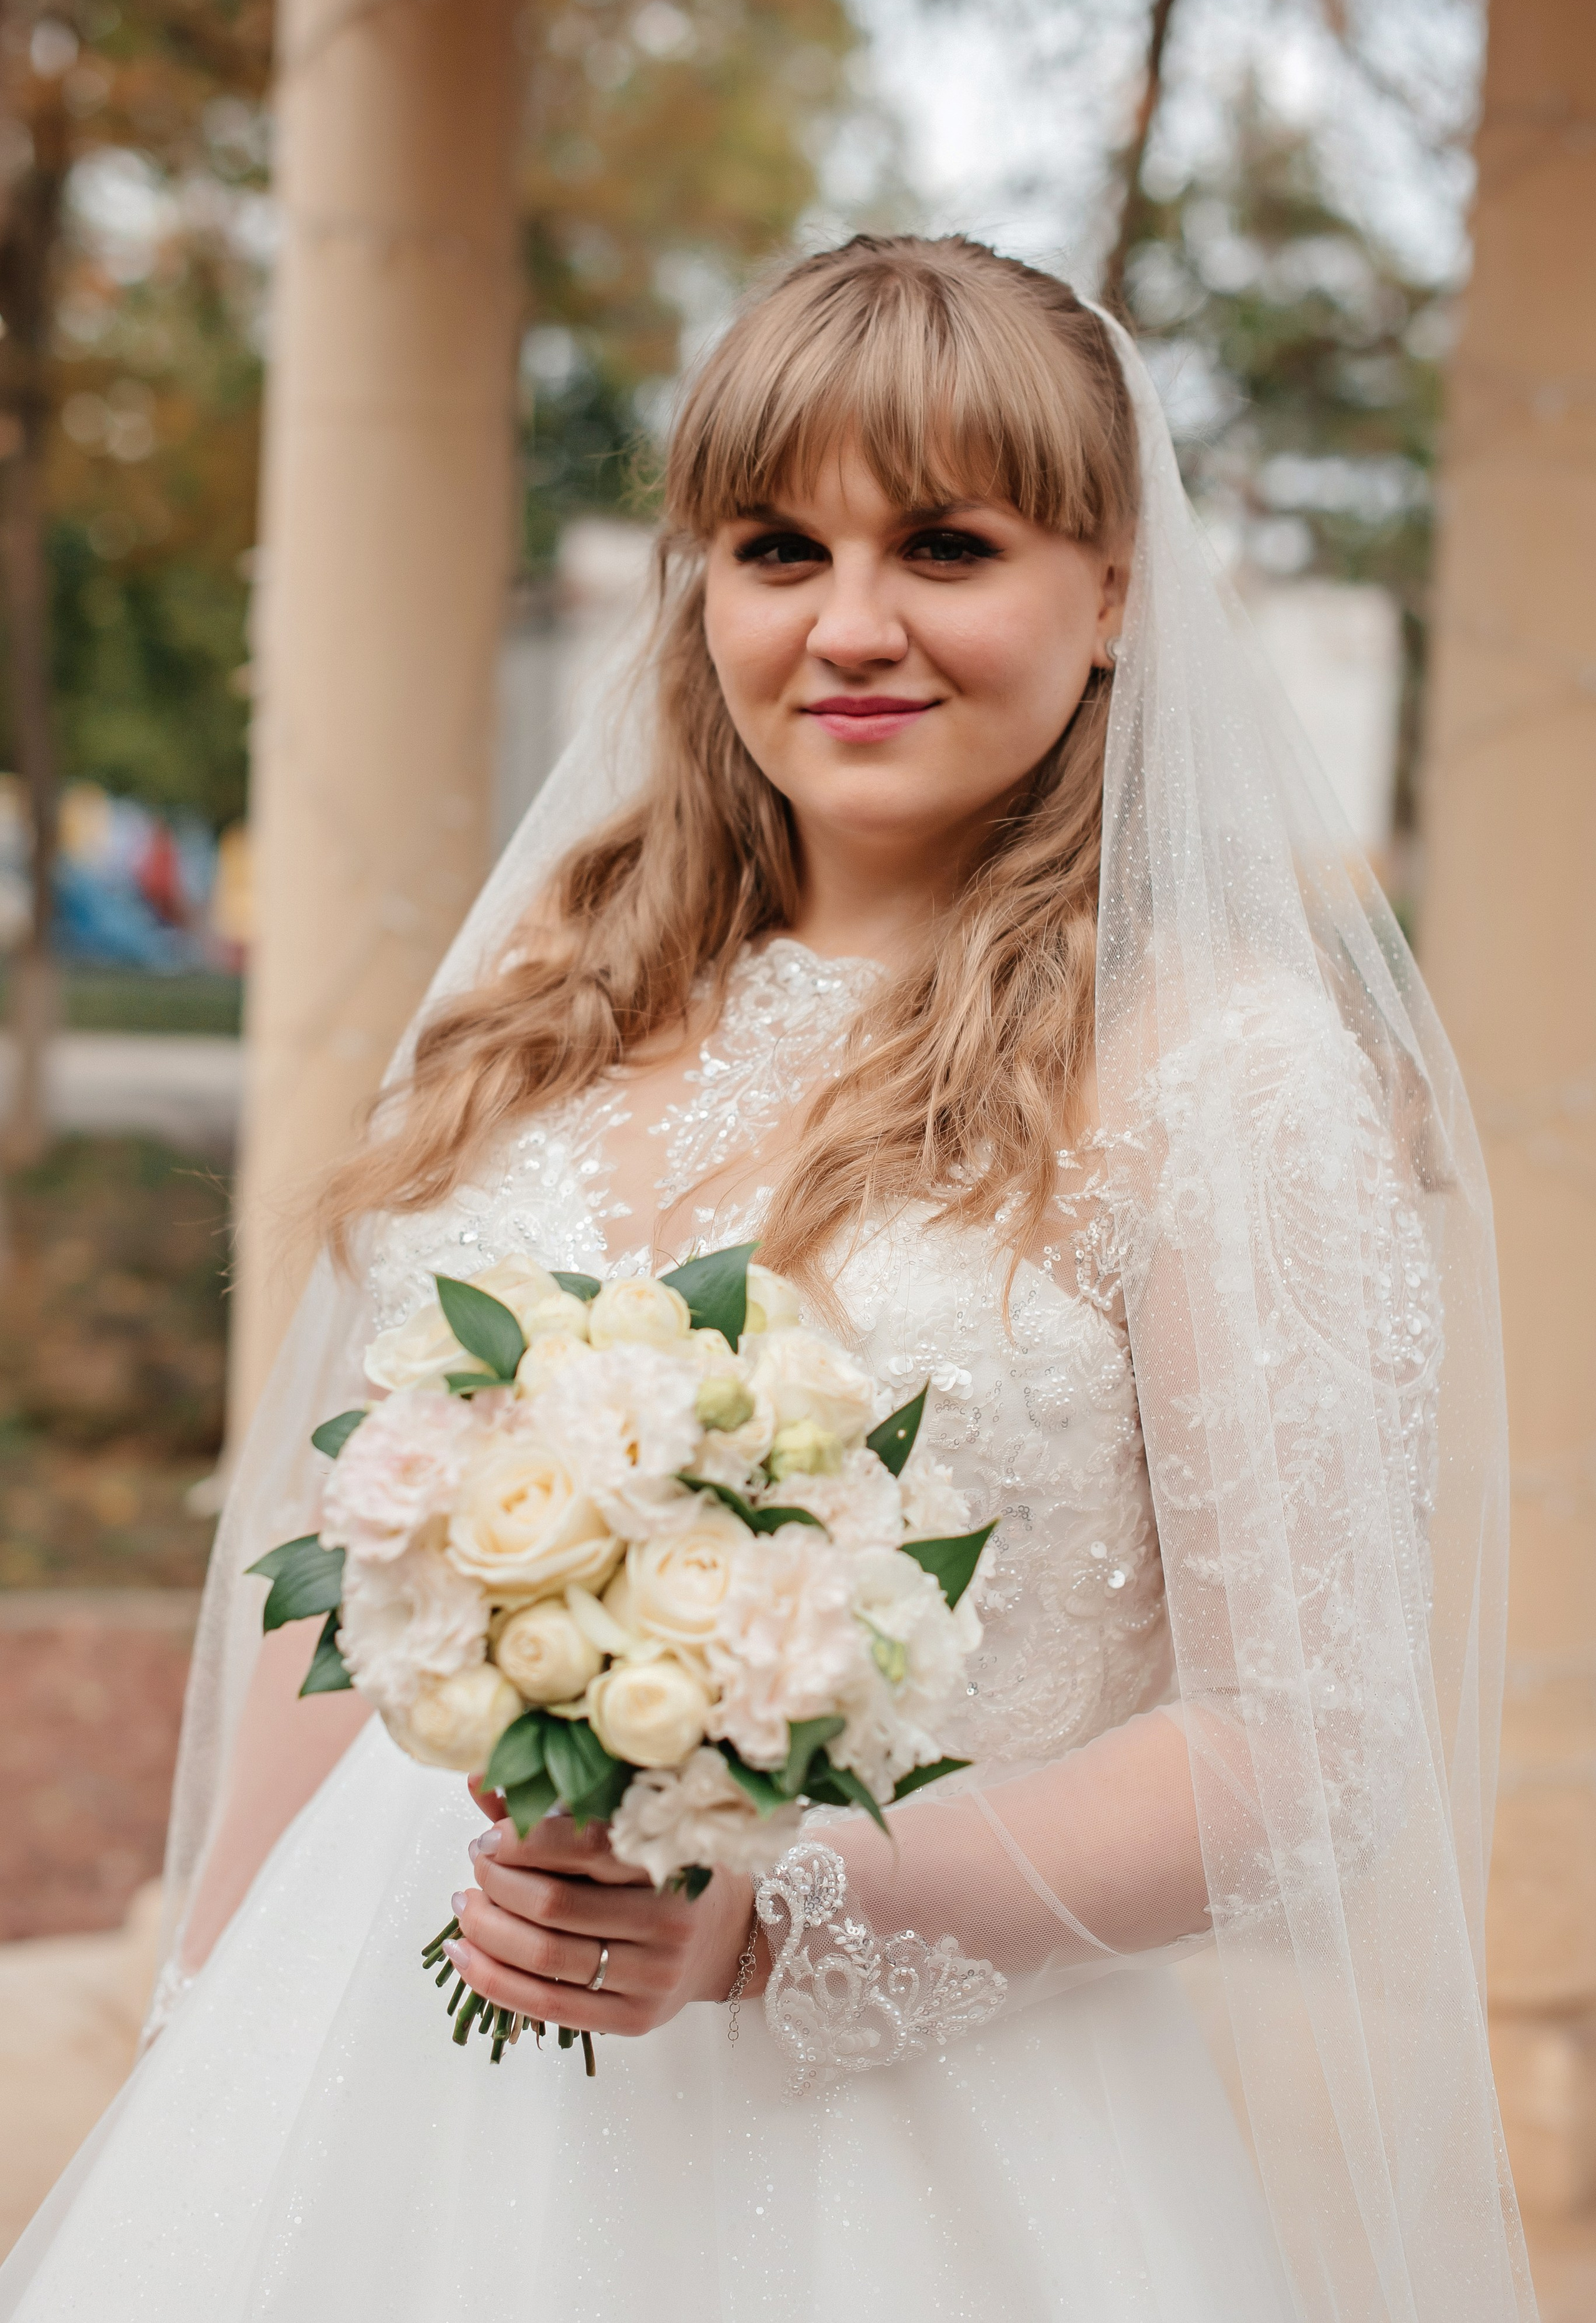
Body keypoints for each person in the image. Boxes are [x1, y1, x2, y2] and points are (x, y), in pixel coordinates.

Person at [0, 237, 1535, 2322]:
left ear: (1114, 596)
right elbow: (347, 1558)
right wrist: (213, 2004)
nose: (854, 624)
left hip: (895, 2149)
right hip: (365, 2059)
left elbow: (1302, 1747)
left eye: (950, 542)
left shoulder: (1219, 1071)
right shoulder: (557, 993)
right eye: (777, 545)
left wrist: (781, 1920)